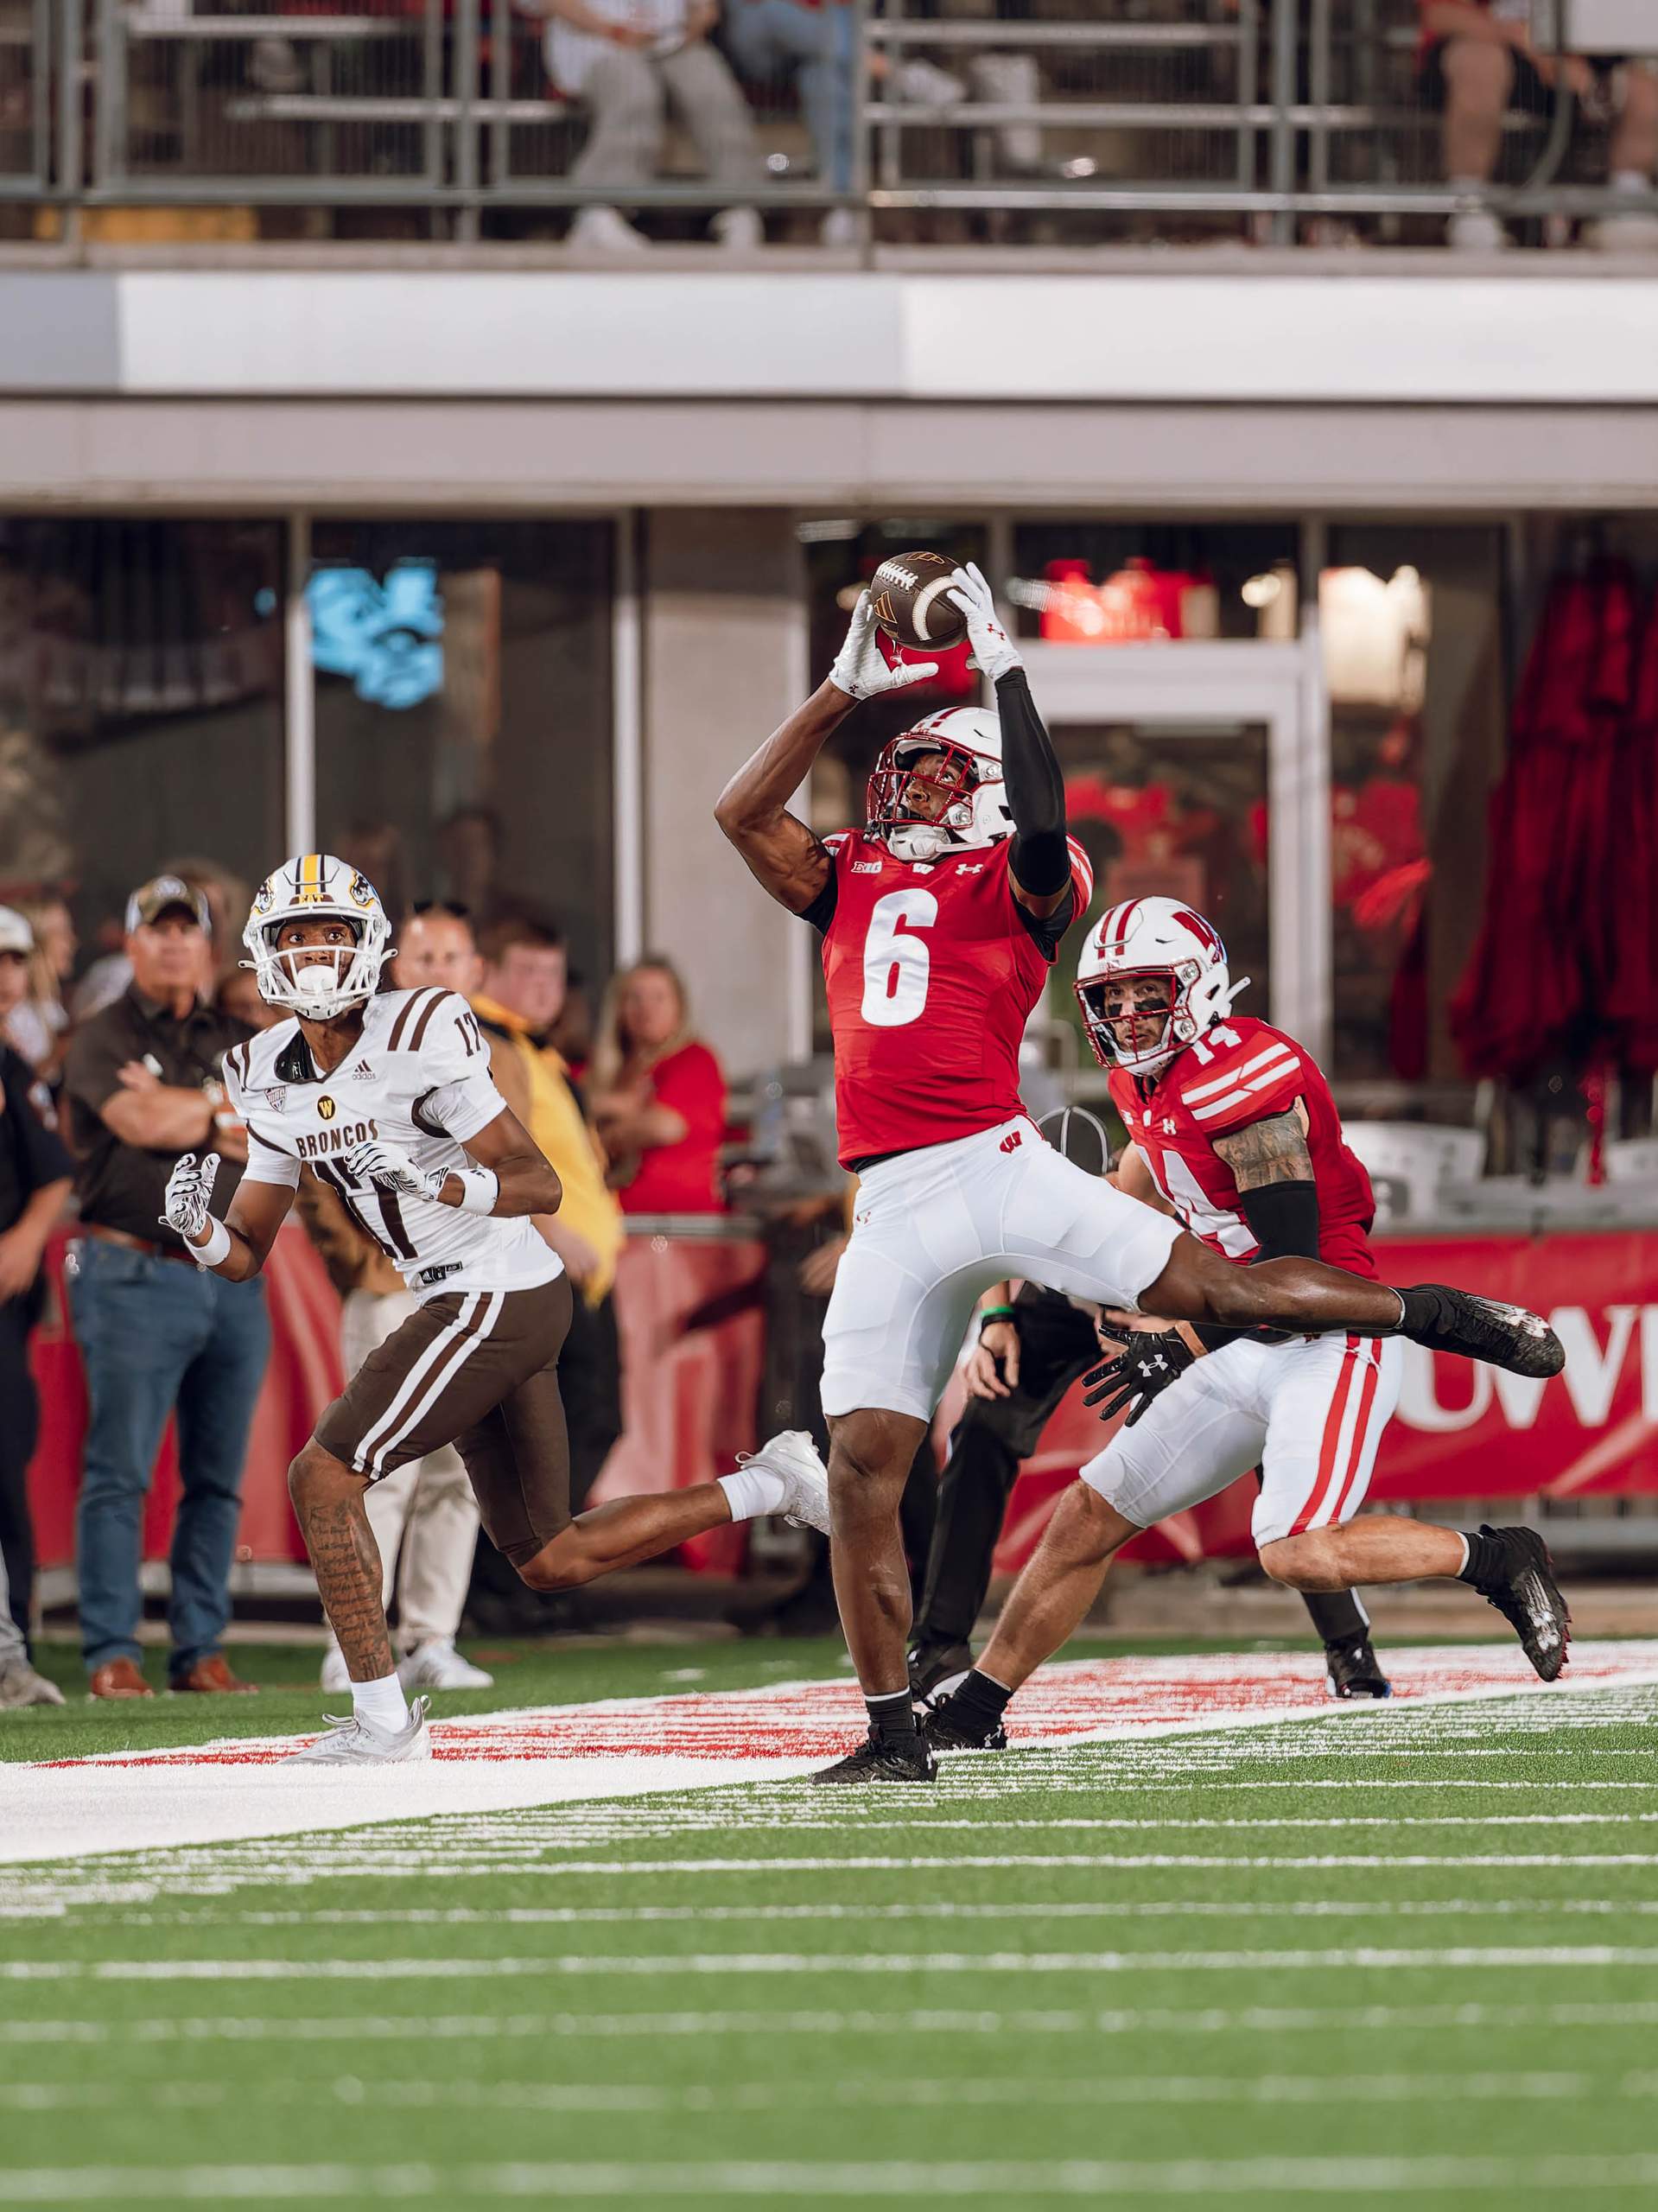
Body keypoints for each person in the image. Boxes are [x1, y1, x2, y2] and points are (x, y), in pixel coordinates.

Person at [715, 563, 1564, 1785]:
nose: (918, 783)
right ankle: (914, 1725)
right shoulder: (869, 888)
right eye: (910, 766)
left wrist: (1005, 667)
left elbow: (1047, 825)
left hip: (1062, 1193)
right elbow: (740, 814)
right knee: (890, 1473)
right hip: (895, 1193)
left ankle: (1438, 1329)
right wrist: (839, 689)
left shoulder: (1031, 894)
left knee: (1254, 1408)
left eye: (953, 771)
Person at [166, 853, 831, 1763]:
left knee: (323, 1477)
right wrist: (197, 1229)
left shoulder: (424, 1027)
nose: (315, 952)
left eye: (332, 933)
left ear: (369, 948)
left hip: (494, 1289)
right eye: (295, 935)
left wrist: (442, 1187)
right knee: (549, 1557)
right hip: (482, 1298)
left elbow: (539, 1180)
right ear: (264, 952)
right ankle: (775, 1481)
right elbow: (246, 1252)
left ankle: (382, 1725)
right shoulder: (257, 1072)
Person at [922, 899, 1572, 1757]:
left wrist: (1179, 1338)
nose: (1123, 1016)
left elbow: (1291, 1268)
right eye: (1109, 999)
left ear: (1195, 987)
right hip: (1239, 1336)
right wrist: (1009, 1294)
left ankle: (1496, 1558)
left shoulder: (1246, 1084)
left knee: (1295, 1550)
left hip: (1326, 1335)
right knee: (1086, 1516)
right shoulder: (1141, 1081)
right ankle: (976, 1708)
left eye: (1143, 993)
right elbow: (1130, 1189)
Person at [908, 1109, 1392, 1708]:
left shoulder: (1149, 1185)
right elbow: (987, 1249)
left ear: (1110, 1182)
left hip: (1158, 1306)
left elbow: (1217, 1271)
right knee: (982, 1423)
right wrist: (997, 1320)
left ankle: (1346, 1642)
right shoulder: (1011, 1199)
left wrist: (1174, 1326)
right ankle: (937, 1645)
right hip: (1061, 1311)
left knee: (1259, 1419)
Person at [60, 875, 268, 1700]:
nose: (175, 942)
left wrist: (198, 1108)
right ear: (133, 943)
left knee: (218, 1475)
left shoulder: (241, 1035)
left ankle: (200, 1648)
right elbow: (137, 1123)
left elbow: (276, 1132)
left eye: (189, 930)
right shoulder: (98, 1035)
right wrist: (223, 1114)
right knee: (122, 1469)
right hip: (132, 1271)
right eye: (159, 929)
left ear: (209, 948)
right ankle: (111, 1649)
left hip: (232, 1275)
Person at [299, 903, 505, 1694]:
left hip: (472, 1286)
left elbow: (528, 1163)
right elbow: (317, 1171)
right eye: (423, 957)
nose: (437, 971)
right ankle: (351, 1635)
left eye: (452, 956)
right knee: (368, 1466)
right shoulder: (350, 1051)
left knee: (459, 1472)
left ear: (473, 971)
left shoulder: (497, 1054)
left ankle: (431, 1635)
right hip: (392, 1287)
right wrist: (370, 1252)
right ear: (394, 967)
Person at [473, 913, 626, 1519]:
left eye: (554, 973)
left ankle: (531, 1577)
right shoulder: (489, 1044)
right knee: (548, 1431)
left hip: (581, 1271)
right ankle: (518, 1577)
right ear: (490, 973)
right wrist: (548, 1228)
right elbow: (487, 1152)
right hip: (541, 1260)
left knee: (580, 1426)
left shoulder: (536, 1049)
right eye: (528, 971)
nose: (544, 986)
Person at [1419, 3, 1658, 251]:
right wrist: (1532, 46)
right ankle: (1469, 205)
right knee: (1479, 63)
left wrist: (1574, 59)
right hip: (1492, 52)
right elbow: (1441, 14)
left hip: (1573, 67)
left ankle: (1627, 205)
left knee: (1643, 88)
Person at [532, 0, 766, 254]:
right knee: (635, 91)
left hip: (671, 42)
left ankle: (740, 208)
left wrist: (702, 13)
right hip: (596, 42)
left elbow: (704, 9)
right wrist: (611, 30)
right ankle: (598, 212)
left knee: (713, 92)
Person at [0, 908, 75, 1671]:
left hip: (6, 1310)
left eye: (14, 961)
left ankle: (9, 1645)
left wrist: (25, 1236)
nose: (5, 978)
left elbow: (53, 1168)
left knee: (5, 1461)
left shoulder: (12, 1063)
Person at [588, 957, 727, 1214]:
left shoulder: (695, 1059)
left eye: (659, 998)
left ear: (679, 1006)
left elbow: (665, 1126)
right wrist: (627, 1108)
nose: (646, 1009)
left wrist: (604, 1136)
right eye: (635, 998)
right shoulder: (611, 1068)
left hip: (676, 1223)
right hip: (616, 1215)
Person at [3, 893, 75, 1083]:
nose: (72, 942)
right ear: (36, 942)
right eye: (61, 932)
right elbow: (22, 1087)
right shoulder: (12, 1012)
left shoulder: (50, 1007)